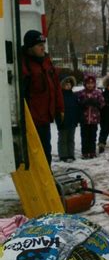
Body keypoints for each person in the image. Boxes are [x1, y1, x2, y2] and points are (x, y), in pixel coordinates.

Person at [21, 30, 64, 166]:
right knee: (34, 157)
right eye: (39, 45)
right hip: (32, 121)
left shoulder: (46, 61)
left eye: (43, 44)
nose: (43, 47)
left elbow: (56, 87)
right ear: (30, 47)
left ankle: (47, 181)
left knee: (46, 154)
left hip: (45, 118)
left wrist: (60, 109)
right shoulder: (24, 64)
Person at [77, 74, 104, 159]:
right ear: (85, 84)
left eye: (92, 83)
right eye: (88, 83)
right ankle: (85, 152)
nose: (90, 85)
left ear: (94, 84)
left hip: (94, 119)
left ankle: (92, 151)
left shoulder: (97, 93)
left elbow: (102, 104)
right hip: (84, 119)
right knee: (84, 136)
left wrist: (96, 103)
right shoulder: (81, 93)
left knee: (93, 136)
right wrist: (83, 103)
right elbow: (77, 103)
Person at [57, 76, 79, 162]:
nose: (68, 86)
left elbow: (77, 108)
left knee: (71, 139)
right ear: (62, 85)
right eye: (66, 85)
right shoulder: (60, 96)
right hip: (63, 121)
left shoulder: (74, 96)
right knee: (63, 139)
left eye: (69, 84)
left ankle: (71, 154)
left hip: (72, 121)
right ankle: (63, 155)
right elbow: (58, 110)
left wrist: (76, 120)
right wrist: (59, 121)